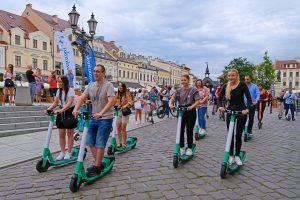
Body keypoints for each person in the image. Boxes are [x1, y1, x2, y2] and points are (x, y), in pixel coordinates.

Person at [73, 64, 116, 176]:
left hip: (105, 118)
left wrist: (101, 113)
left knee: (100, 142)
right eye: (94, 71)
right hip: (93, 117)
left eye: (98, 71)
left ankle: (97, 166)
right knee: (90, 141)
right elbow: (82, 98)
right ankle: (99, 163)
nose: (95, 73)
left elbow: (111, 101)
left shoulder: (109, 85)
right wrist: (76, 109)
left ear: (103, 73)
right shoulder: (90, 86)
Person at [218, 69, 251, 166]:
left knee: (238, 134)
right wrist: (220, 106)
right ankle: (231, 155)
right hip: (230, 111)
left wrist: (247, 109)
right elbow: (219, 98)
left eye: (232, 75)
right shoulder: (225, 86)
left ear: (237, 76)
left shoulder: (242, 85)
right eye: (229, 76)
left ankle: (237, 155)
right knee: (230, 135)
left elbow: (249, 98)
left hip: (241, 111)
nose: (230, 77)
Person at [169, 75, 201, 156]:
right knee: (180, 130)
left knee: (189, 130)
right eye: (182, 80)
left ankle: (189, 147)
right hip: (181, 112)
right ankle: (181, 147)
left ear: (188, 80)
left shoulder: (193, 90)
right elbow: (172, 98)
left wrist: (192, 106)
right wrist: (171, 104)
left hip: (190, 111)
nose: (183, 82)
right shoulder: (179, 90)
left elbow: (198, 101)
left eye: (185, 80)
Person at [46, 76, 76, 160]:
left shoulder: (70, 90)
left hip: (70, 111)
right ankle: (62, 152)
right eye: (58, 81)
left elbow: (69, 103)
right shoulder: (58, 91)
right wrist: (48, 109)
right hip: (62, 111)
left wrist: (62, 110)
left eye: (60, 82)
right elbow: (56, 102)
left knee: (70, 133)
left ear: (65, 82)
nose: (59, 83)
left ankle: (69, 152)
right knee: (61, 133)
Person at [115, 82, 133, 148]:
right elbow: (114, 101)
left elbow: (130, 102)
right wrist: (117, 105)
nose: (120, 87)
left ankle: (124, 143)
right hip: (119, 112)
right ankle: (119, 143)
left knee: (123, 128)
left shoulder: (127, 93)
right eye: (119, 86)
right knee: (118, 127)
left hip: (125, 112)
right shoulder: (117, 94)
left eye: (121, 86)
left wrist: (124, 106)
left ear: (123, 87)